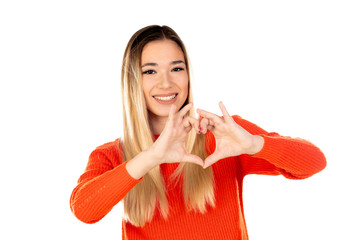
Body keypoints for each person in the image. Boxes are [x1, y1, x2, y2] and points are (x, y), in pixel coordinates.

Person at [70, 25, 326, 240]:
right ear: (133, 80)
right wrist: (150, 157)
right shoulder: (113, 155)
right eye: (150, 71)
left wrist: (254, 144)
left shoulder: (225, 136)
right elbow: (84, 210)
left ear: (188, 76)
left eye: (177, 68)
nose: (166, 83)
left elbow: (315, 162)